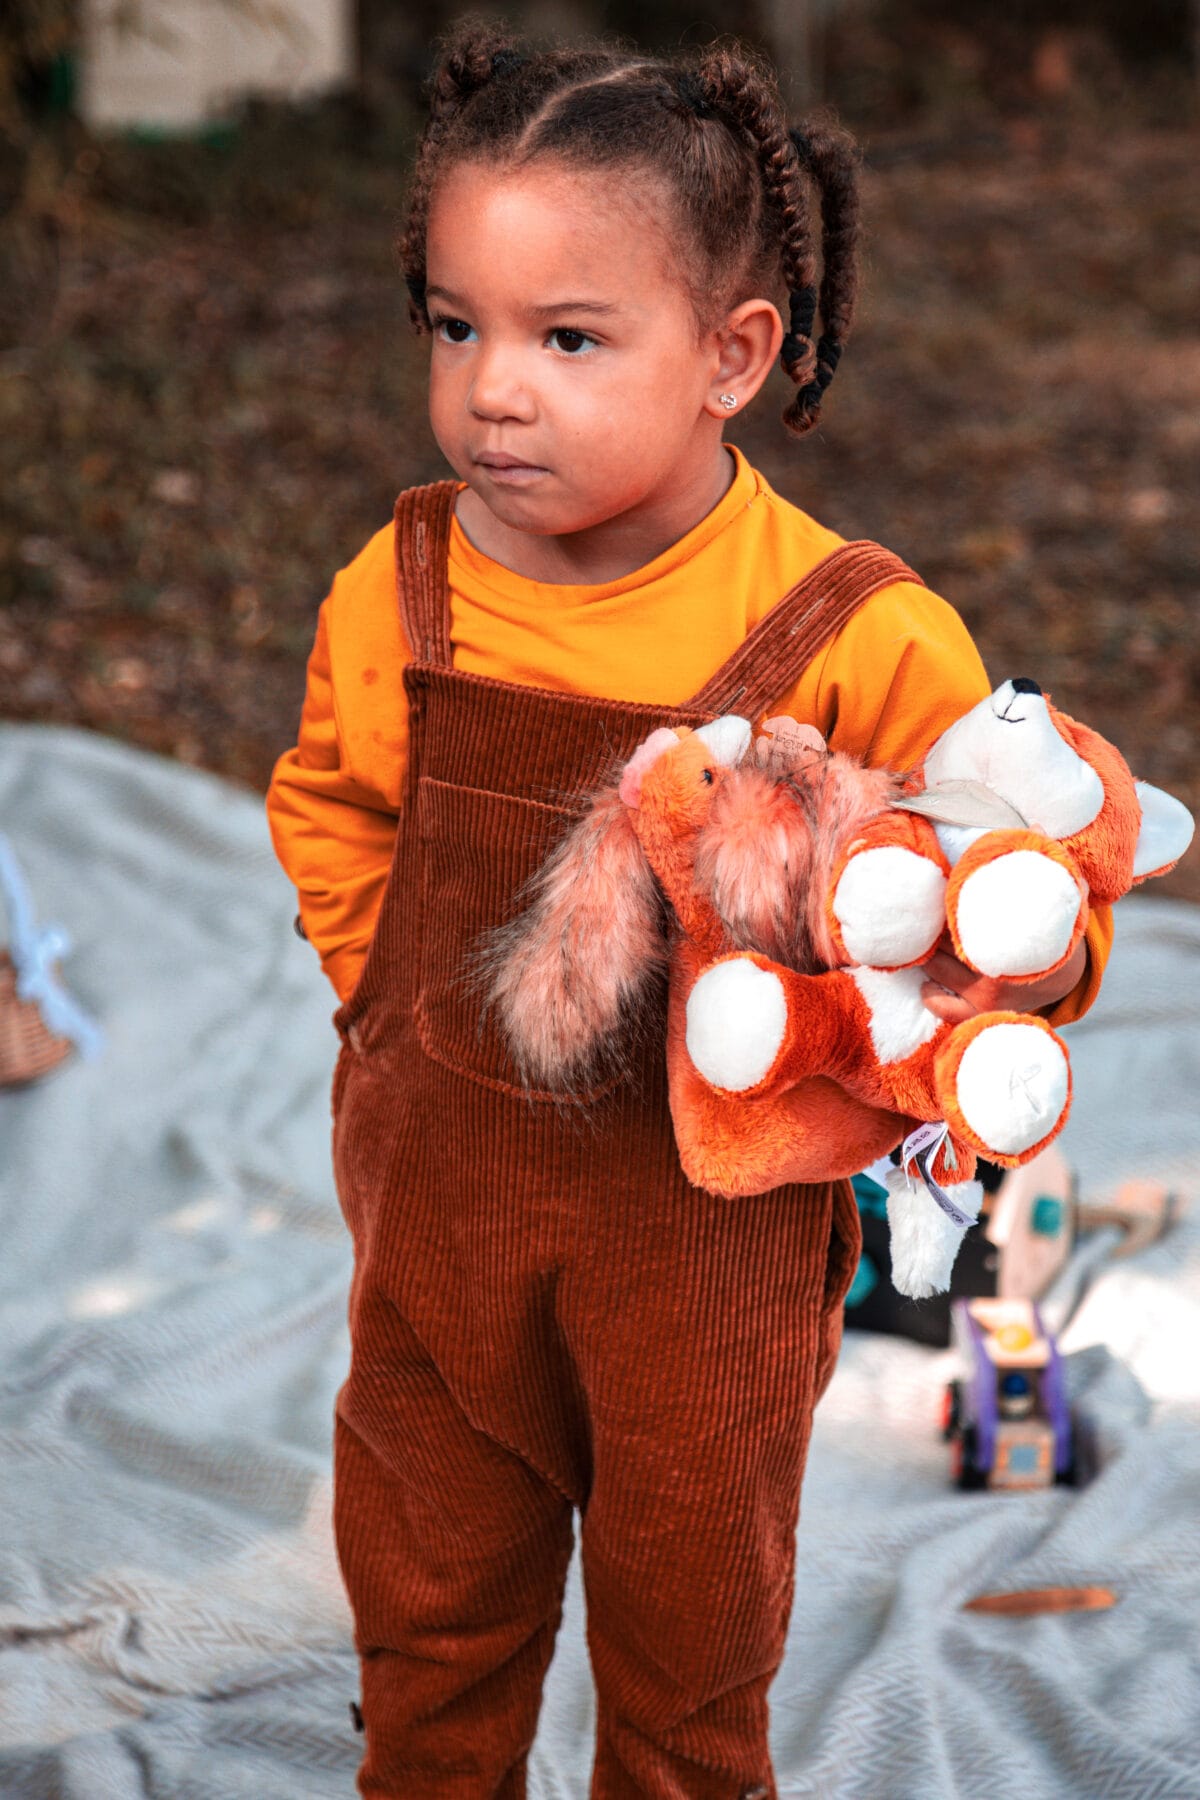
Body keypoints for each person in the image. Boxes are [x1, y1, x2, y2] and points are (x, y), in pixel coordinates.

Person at [267, 26, 1110, 1798]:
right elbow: (332, 802)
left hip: (704, 1262)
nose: (496, 389)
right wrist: (380, 1005)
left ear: (736, 355)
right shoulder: (403, 588)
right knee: (428, 1597)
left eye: (570, 338)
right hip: (440, 1232)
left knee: (691, 1632)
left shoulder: (852, 633)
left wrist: (1023, 971)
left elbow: (997, 900)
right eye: (455, 324)